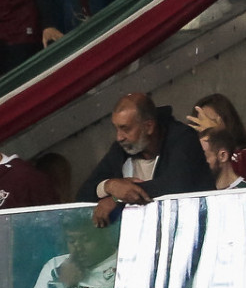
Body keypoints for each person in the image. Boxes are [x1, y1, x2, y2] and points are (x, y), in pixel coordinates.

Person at [83, 92, 214, 225]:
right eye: (116, 129)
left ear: (149, 126)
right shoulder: (121, 149)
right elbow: (84, 194)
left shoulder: (183, 138)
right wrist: (110, 186)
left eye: (125, 128)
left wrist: (119, 197)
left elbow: (177, 184)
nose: (119, 137)